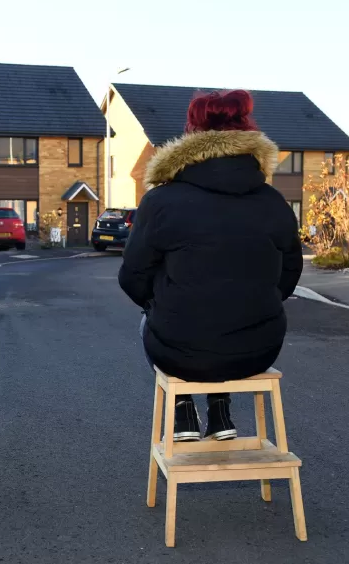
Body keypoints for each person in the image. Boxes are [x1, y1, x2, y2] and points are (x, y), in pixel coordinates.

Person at [118, 89, 303, 442]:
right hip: (258, 348)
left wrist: (158, 302)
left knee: (152, 321)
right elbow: (289, 273)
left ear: (190, 136)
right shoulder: (273, 201)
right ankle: (220, 411)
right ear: (248, 135)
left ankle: (183, 408)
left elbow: (133, 276)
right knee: (225, 311)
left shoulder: (161, 201)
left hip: (178, 350)